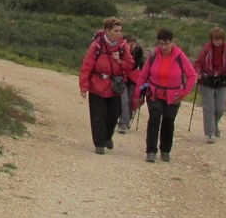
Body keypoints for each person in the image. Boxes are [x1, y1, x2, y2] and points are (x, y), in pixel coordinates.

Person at [133, 28, 197, 163]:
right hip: (154, 93)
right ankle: (151, 151)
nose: (163, 47)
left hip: (173, 95)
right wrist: (138, 95)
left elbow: (192, 76)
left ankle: (165, 150)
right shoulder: (152, 56)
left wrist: (183, 93)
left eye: (166, 43)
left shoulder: (180, 56)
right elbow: (143, 76)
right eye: (161, 43)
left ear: (172, 42)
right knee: (154, 118)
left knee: (168, 121)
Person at [79, 17, 134, 155]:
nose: (119, 34)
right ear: (107, 31)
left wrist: (120, 61)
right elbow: (87, 66)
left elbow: (130, 65)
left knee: (114, 114)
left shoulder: (123, 47)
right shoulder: (96, 46)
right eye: (116, 31)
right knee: (98, 115)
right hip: (97, 85)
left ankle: (108, 137)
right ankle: (99, 143)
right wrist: (84, 85)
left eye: (120, 31)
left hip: (114, 87)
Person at [193, 26, 226, 144]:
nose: (217, 41)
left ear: (223, 39)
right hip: (207, 79)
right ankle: (210, 133)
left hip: (222, 79)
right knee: (209, 107)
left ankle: (214, 125)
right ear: (212, 39)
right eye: (215, 39)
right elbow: (198, 63)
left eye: (219, 39)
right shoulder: (206, 49)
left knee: (220, 108)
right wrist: (197, 72)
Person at [117, 34, 144, 132]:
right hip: (123, 78)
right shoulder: (121, 50)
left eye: (132, 44)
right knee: (124, 100)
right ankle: (122, 124)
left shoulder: (139, 51)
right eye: (129, 44)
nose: (131, 46)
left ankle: (126, 122)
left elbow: (135, 65)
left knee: (132, 101)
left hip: (133, 79)